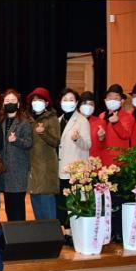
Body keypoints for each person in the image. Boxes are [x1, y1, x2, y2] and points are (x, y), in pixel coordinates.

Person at [99, 84, 135, 242]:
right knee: (106, 201)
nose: (112, 100)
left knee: (119, 200)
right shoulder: (101, 116)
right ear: (105, 100)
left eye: (116, 98)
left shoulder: (127, 117)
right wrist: (100, 137)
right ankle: (108, 231)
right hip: (103, 165)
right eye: (110, 97)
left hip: (119, 165)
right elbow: (101, 141)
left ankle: (119, 232)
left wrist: (116, 122)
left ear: (122, 101)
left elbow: (126, 135)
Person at [57, 89, 91, 231]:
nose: (68, 102)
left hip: (75, 171)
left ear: (77, 103)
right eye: (65, 99)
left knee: (75, 204)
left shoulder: (82, 121)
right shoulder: (58, 120)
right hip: (60, 169)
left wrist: (78, 139)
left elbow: (87, 145)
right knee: (62, 205)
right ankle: (66, 232)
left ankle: (75, 234)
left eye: (71, 99)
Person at [0, 90, 32, 222]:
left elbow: (29, 143)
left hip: (18, 170)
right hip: (4, 171)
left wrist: (16, 140)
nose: (10, 103)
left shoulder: (24, 122)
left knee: (18, 205)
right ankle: (11, 232)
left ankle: (20, 233)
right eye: (7, 101)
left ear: (18, 104)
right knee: (8, 206)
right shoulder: (1, 121)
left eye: (13, 101)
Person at [27, 87, 60, 221]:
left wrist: (43, 133)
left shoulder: (51, 118)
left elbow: (55, 141)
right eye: (34, 100)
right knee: (36, 206)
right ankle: (40, 233)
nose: (36, 102)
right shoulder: (29, 119)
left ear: (46, 103)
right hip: (33, 167)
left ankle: (52, 233)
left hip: (46, 167)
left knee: (47, 207)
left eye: (40, 100)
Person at [79, 91, 105, 160]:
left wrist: (101, 138)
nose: (88, 106)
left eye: (91, 104)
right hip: (76, 160)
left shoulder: (100, 122)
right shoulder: (73, 121)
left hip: (93, 160)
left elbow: (104, 146)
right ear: (79, 105)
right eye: (85, 103)